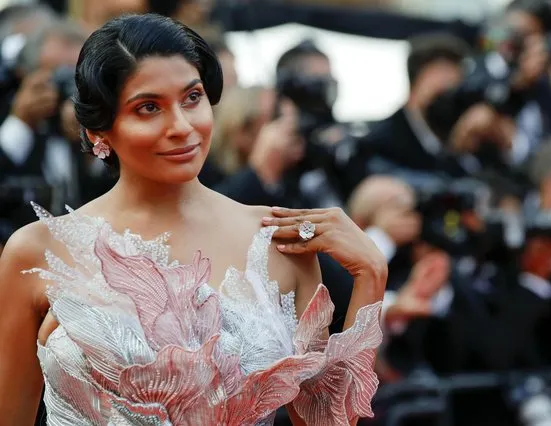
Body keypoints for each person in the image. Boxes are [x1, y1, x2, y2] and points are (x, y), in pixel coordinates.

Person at [0, 14, 387, 426]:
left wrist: (372, 275)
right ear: (100, 130)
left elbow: (325, 421)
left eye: (192, 97)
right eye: (149, 107)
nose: (182, 127)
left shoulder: (278, 242)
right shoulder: (38, 251)